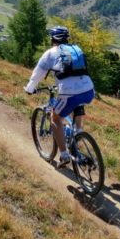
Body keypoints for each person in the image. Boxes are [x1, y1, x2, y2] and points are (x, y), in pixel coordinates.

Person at [24, 25, 95, 166]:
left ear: (52, 39)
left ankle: (64, 155)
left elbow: (38, 73)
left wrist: (30, 88)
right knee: (77, 105)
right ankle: (78, 132)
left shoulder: (51, 53)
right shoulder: (76, 49)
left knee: (55, 118)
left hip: (69, 92)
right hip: (89, 89)